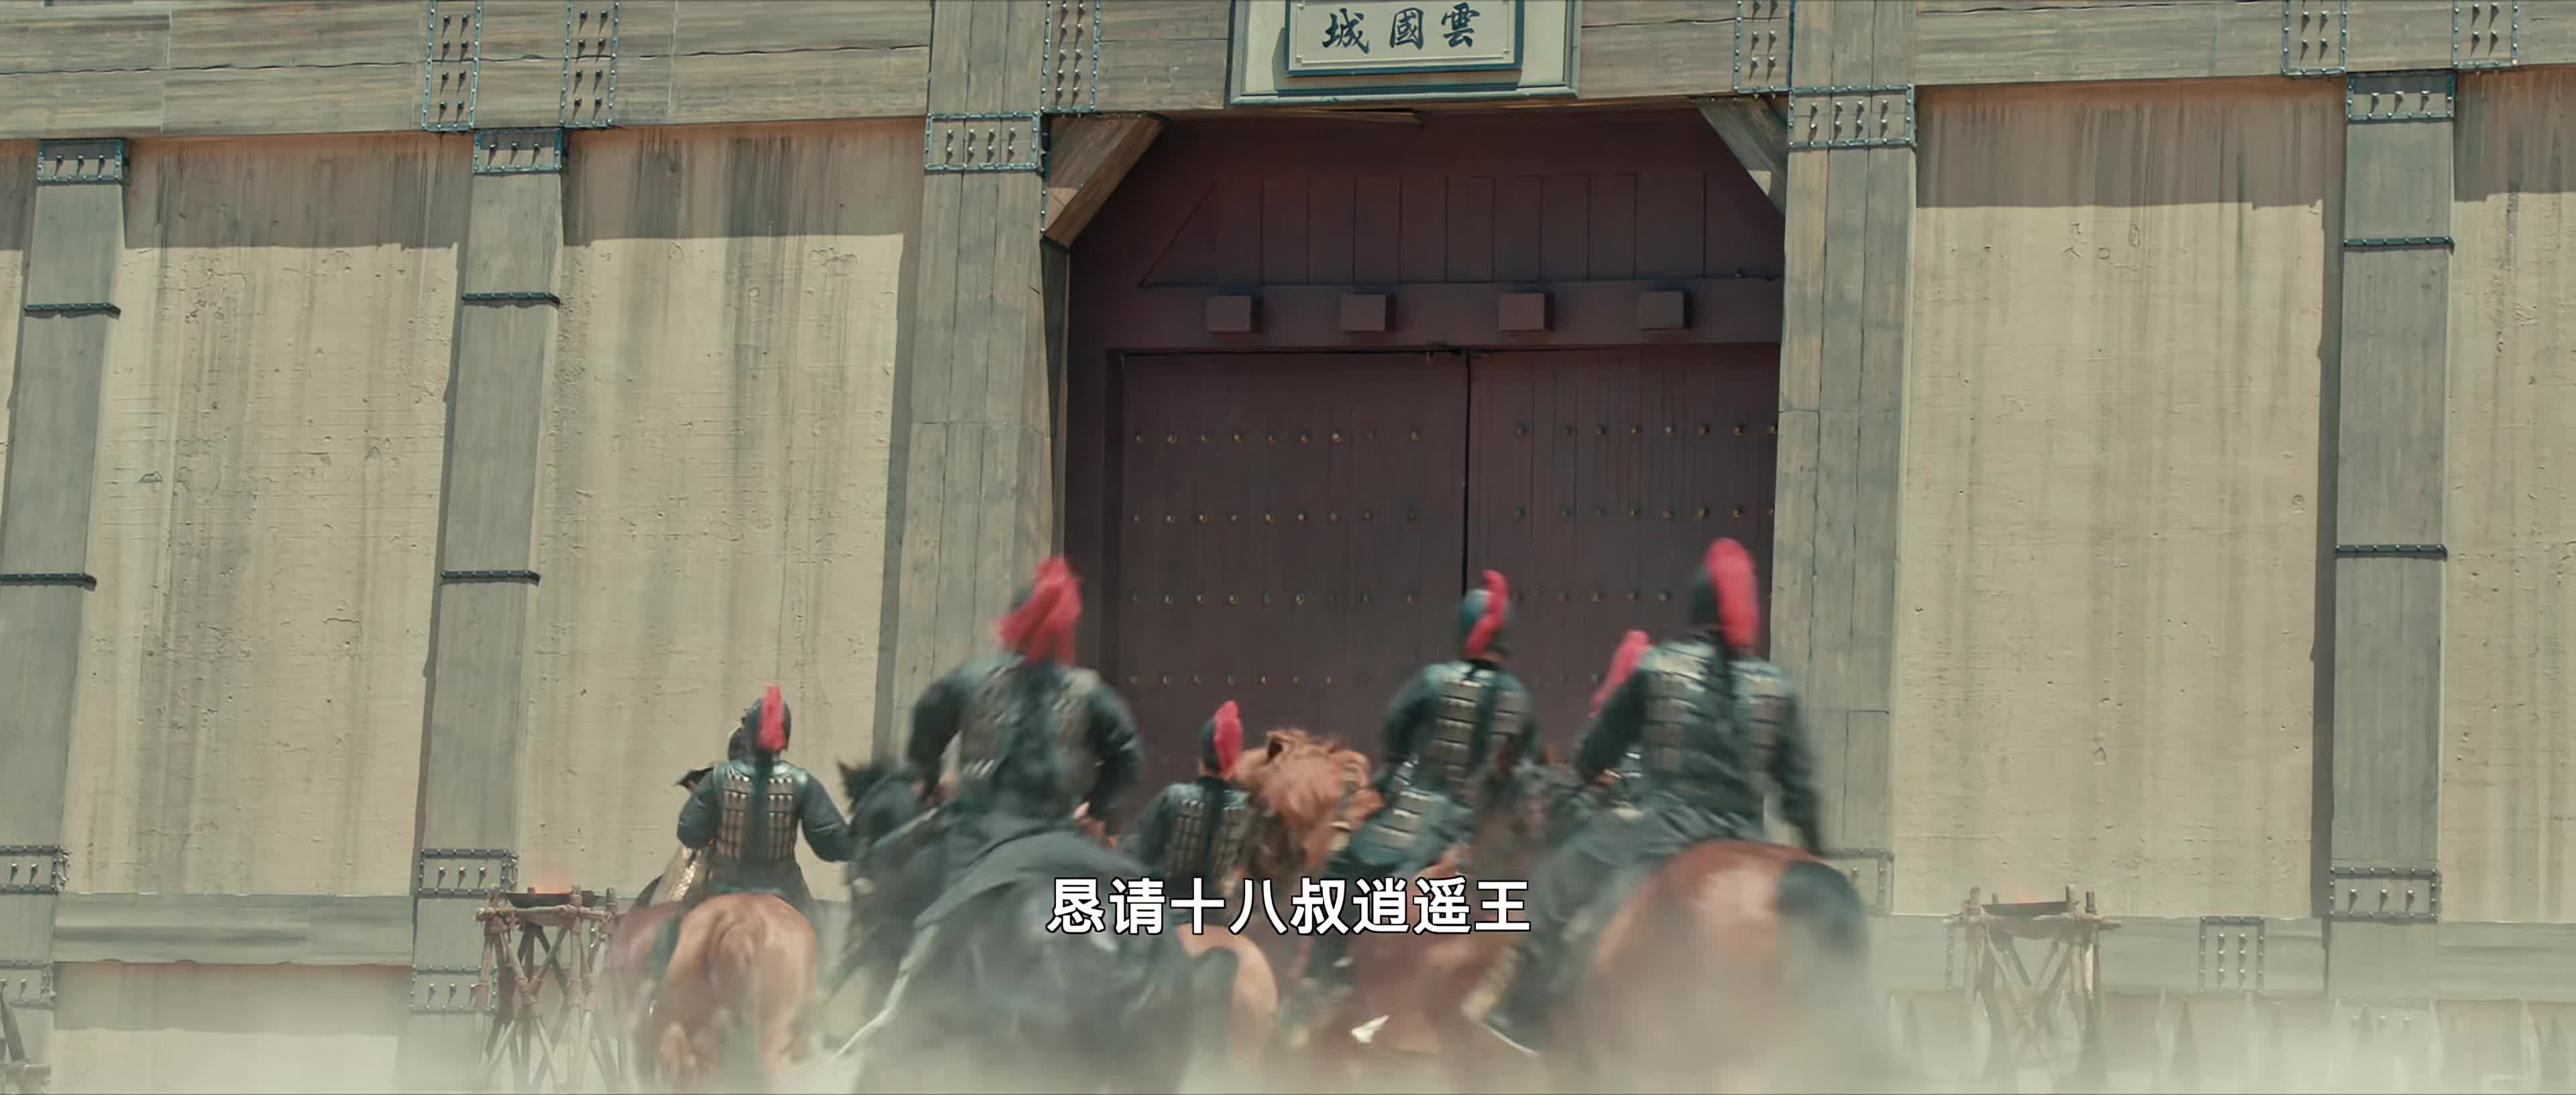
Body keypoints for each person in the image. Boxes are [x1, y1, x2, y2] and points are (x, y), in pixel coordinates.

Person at [1475, 538, 1824, 1054]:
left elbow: (1599, 748)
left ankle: (1522, 1010)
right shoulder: (1775, 685)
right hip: (1749, 831)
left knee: (1556, 880)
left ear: (1696, 607)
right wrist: (1815, 849)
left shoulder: (1661, 667)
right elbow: (1800, 787)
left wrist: (1580, 774)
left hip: (1667, 826)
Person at [1277, 570, 1538, 1048]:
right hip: (1479, 828)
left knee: (1340, 869)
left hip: (1418, 816)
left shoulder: (1434, 680)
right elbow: (1520, 770)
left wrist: (1395, 775)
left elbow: (1394, 728)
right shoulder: (1520, 699)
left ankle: (1321, 981)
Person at [645, 685, 857, 986]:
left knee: (672, 928)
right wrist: (860, 840)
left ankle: (656, 991)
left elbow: (689, 832)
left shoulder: (718, 778)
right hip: (784, 889)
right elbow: (830, 843)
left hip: (723, 887)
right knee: (818, 934)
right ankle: (817, 999)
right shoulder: (802, 782)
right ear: (785, 737)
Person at [1123, 700, 1253, 901]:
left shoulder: (1174, 797)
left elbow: (1138, 853)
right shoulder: (1246, 809)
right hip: (1216, 909)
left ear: (1200, 756)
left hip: (1166, 906)